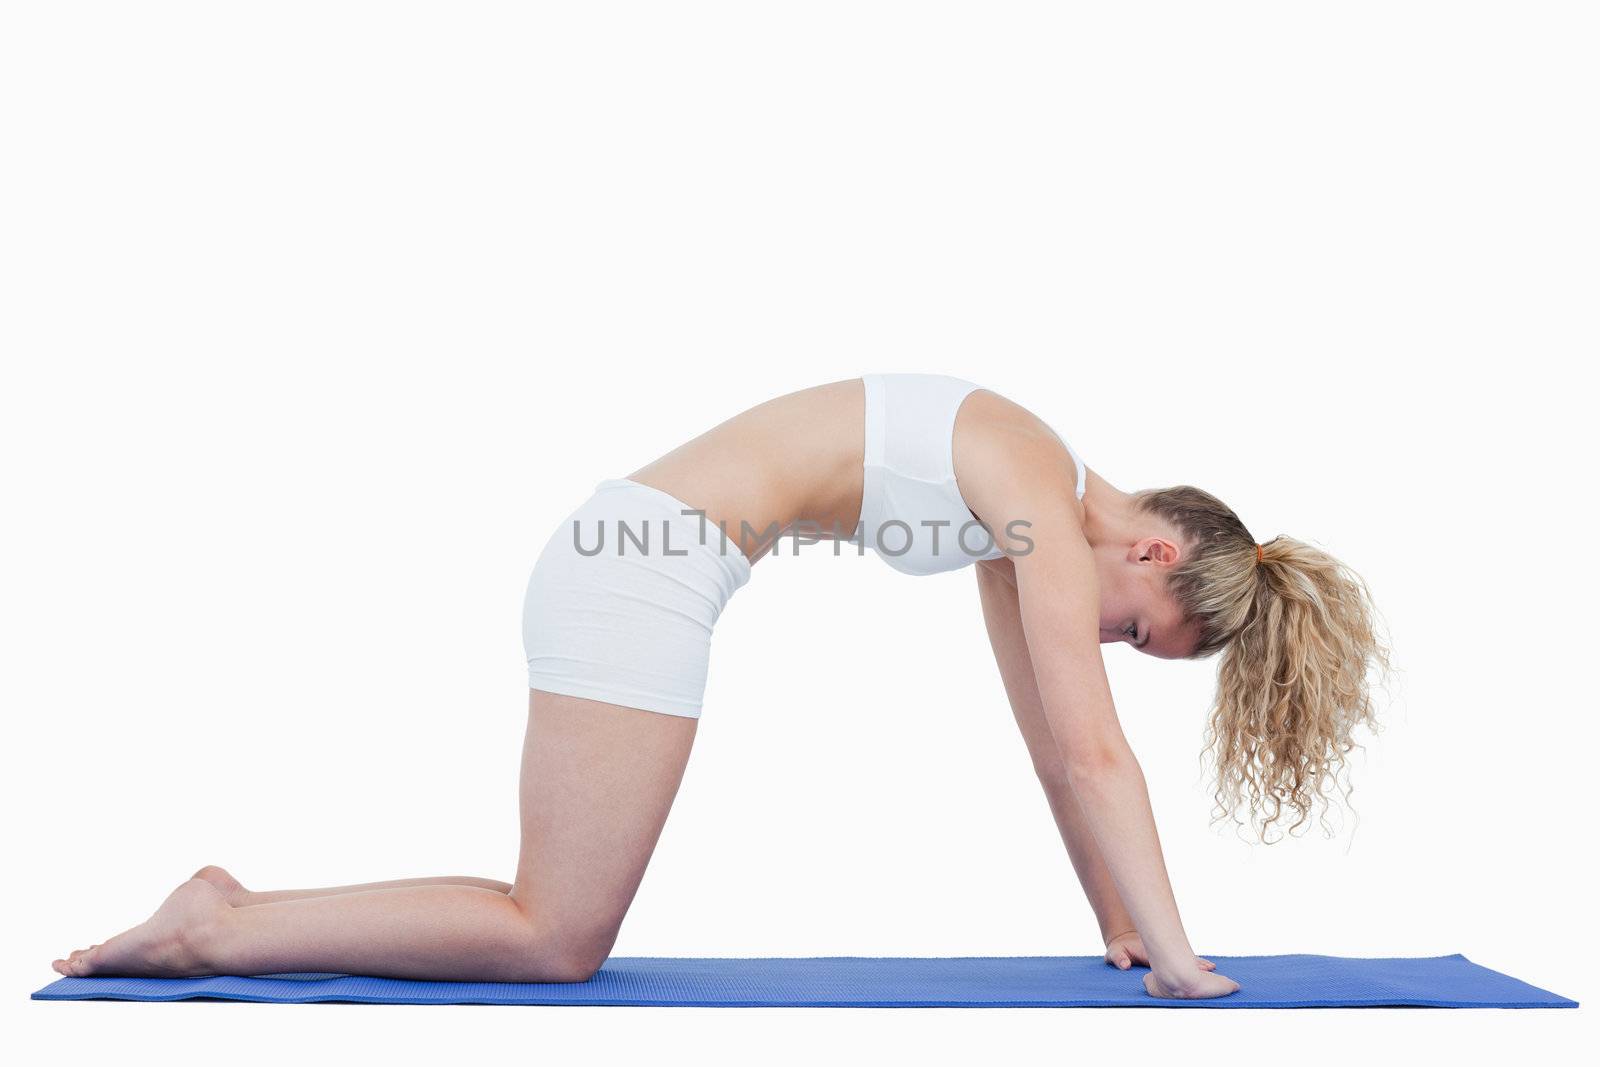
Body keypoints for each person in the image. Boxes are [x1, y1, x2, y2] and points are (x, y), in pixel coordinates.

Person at [53, 374, 1390, 1000]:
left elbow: (1055, 742)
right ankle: (216, 928)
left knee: (553, 928)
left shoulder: (1025, 507)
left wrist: (1124, 923)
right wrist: (1186, 964)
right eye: (1140, 633)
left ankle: (229, 917)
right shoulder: (1039, 490)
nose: (1110, 649)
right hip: (641, 566)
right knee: (554, 936)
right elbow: (1101, 752)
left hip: (639, 561)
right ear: (1150, 552)